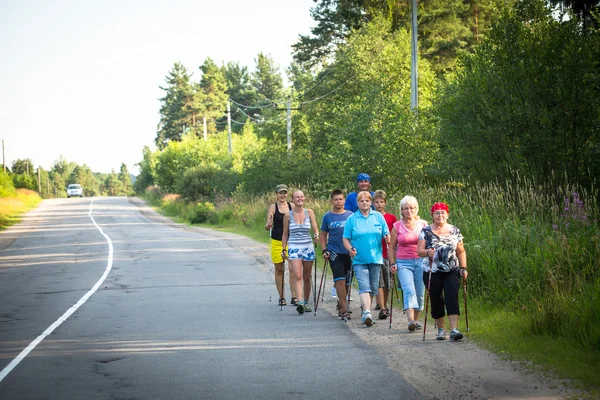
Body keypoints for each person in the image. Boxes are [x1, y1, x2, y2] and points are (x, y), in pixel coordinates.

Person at [417, 202, 468, 341]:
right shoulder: (425, 231)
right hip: (431, 270)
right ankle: (441, 330)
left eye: (443, 212)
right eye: (437, 213)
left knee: (451, 296)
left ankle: (454, 330)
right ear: (432, 215)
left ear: (447, 214)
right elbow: (419, 251)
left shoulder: (454, 230)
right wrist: (428, 252)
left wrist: (463, 267)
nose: (440, 215)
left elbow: (461, 250)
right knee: (436, 298)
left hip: (451, 269)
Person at [342, 191, 390, 326]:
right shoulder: (352, 218)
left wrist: (387, 238)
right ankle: (367, 312)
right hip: (359, 259)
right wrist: (350, 249)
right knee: (364, 286)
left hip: (375, 258)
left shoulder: (378, 217)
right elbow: (345, 238)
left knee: (374, 288)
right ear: (357, 203)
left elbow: (386, 233)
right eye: (362, 201)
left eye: (367, 201)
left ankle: (366, 308)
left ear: (371, 202)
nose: (365, 203)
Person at [389, 196, 428, 331]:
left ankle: (416, 320)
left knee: (419, 292)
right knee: (409, 290)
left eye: (411, 208)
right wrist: (392, 263)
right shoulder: (397, 226)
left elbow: (430, 243)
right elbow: (391, 247)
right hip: (403, 262)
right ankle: (410, 320)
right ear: (402, 210)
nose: (409, 211)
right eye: (406, 208)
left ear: (416, 209)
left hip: (421, 261)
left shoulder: (424, 225)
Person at [282, 190, 320, 315]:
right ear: (292, 200)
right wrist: (284, 248)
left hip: (307, 246)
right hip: (294, 246)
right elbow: (285, 234)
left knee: (307, 276)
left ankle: (306, 301)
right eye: (297, 197)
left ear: (304, 198)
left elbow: (315, 229)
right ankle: (300, 303)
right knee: (297, 275)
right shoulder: (288, 215)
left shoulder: (309, 213)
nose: (300, 199)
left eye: (301, 196)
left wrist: (316, 236)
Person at [320, 189, 354, 320]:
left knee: (347, 281)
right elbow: (323, 235)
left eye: (340, 199)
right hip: (334, 252)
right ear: (331, 201)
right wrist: (324, 250)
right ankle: (345, 310)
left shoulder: (351, 215)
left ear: (344, 200)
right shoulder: (327, 217)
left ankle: (341, 302)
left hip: (349, 252)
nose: (338, 202)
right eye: (336, 199)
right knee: (339, 280)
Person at [265, 184, 297, 306]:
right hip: (277, 241)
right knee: (279, 269)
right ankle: (282, 296)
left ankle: (294, 296)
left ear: (287, 194)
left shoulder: (292, 206)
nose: (282, 195)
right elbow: (267, 227)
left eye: (284, 193)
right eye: (280, 193)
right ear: (276, 194)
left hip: (290, 240)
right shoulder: (273, 207)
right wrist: (269, 224)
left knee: (293, 269)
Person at [373, 190, 397, 320]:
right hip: (375, 253)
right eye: (376, 202)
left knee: (388, 281)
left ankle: (385, 303)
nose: (379, 204)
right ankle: (382, 307)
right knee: (379, 281)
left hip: (387, 252)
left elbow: (396, 234)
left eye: (381, 202)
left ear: (385, 203)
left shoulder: (391, 217)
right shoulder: (371, 217)